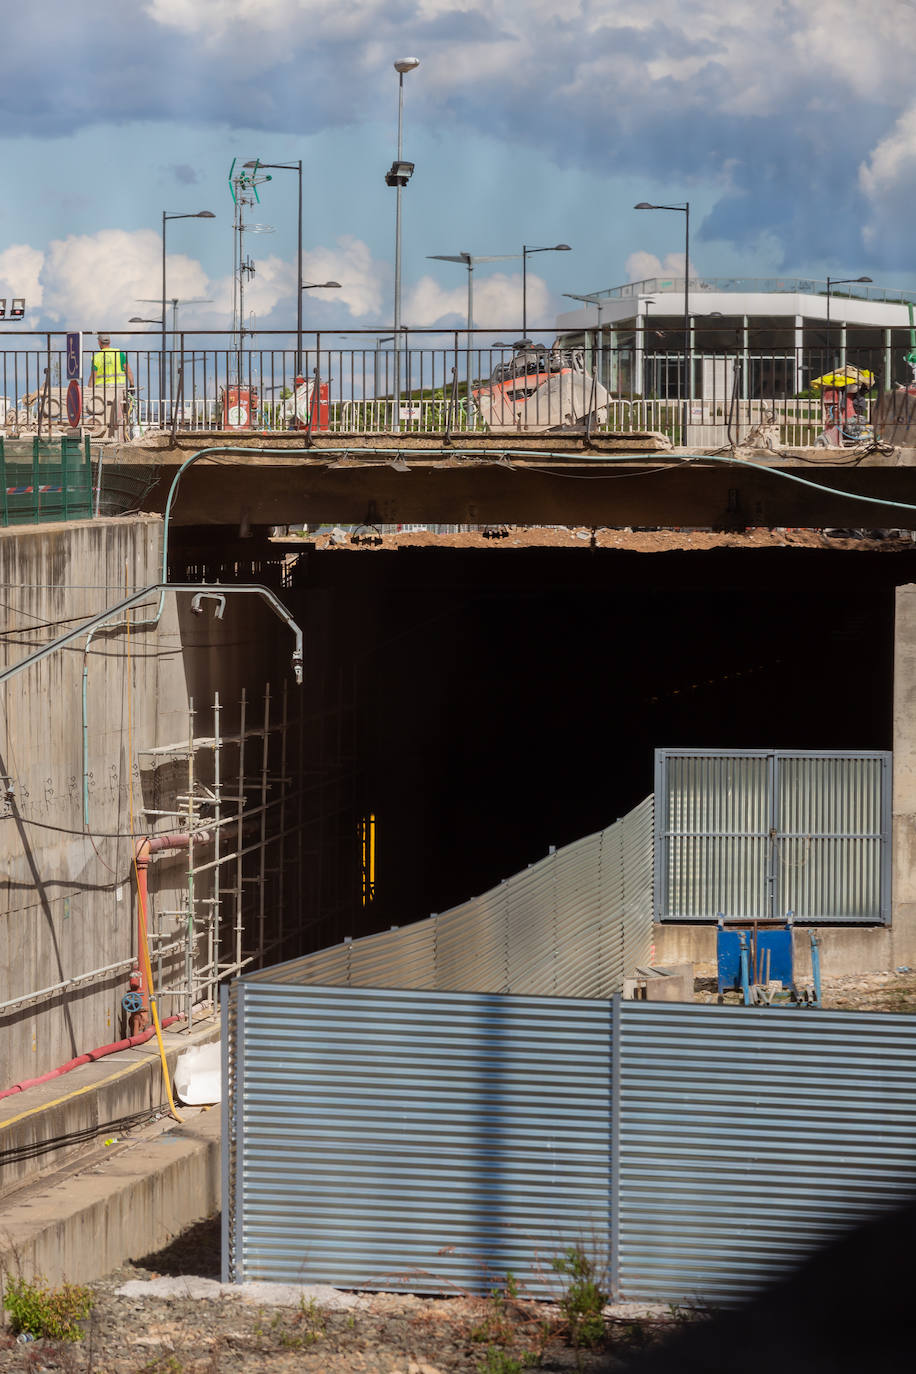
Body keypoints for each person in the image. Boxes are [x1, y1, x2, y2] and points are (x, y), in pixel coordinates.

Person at [86, 332, 135, 438]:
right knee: (121, 415)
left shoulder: (97, 357)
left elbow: (93, 377)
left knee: (103, 416)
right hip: (119, 389)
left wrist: (89, 389)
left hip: (101, 391)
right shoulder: (119, 354)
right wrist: (132, 384)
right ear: (110, 342)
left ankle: (106, 435)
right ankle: (122, 435)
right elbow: (128, 370)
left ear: (99, 343)